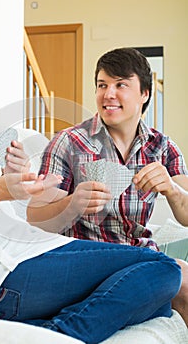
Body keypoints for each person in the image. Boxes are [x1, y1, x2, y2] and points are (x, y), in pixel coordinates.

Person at [0, 16, 182, 344]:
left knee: (159, 296)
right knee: (164, 271)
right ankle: (56, 336)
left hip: (18, 256)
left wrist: (17, 188)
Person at [27, 47, 188, 325]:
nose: (108, 94)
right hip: (85, 260)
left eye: (121, 85)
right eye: (102, 85)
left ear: (144, 94)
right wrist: (72, 203)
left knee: (180, 279)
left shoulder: (162, 147)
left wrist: (173, 190)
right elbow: (36, 218)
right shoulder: (69, 143)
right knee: (179, 279)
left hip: (140, 256)